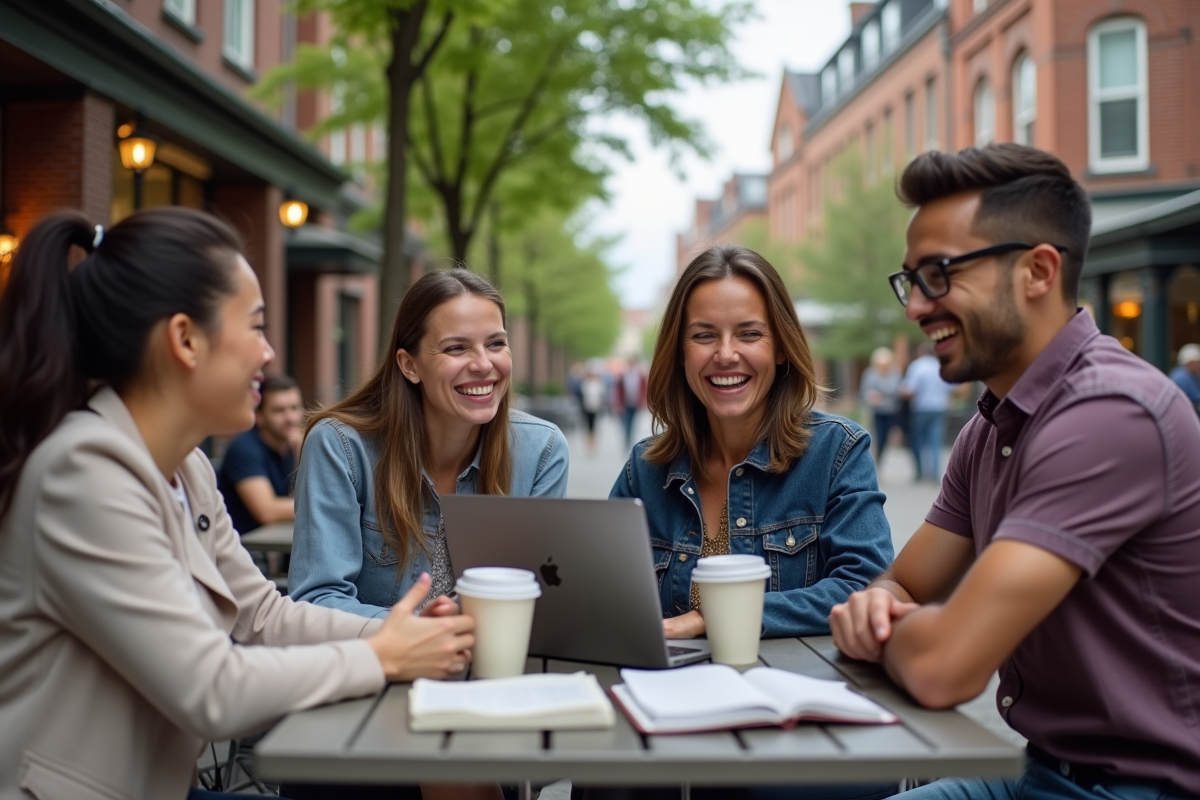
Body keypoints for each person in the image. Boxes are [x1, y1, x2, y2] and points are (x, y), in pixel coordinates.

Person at [0, 208, 474, 800]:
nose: (270, 353)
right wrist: (384, 655)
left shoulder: (189, 468)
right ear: (185, 339)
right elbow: (211, 690)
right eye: (254, 327)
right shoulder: (82, 473)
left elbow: (262, 619)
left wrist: (396, 633)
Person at [830, 144, 1200, 800]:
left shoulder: (1110, 413)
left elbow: (946, 667)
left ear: (1038, 270)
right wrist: (891, 610)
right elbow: (907, 583)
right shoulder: (990, 425)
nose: (915, 307)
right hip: (1037, 773)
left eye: (939, 273)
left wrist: (886, 627)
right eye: (910, 280)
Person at [603, 245, 895, 800]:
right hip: (670, 716)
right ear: (680, 351)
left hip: (800, 721)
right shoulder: (645, 468)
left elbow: (862, 584)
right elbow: (604, 596)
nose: (726, 354)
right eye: (705, 335)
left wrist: (714, 617)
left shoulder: (837, 451)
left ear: (781, 347)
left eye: (749, 334)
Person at [289, 268, 569, 619]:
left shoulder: (542, 451)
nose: (484, 364)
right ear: (409, 366)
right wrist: (416, 629)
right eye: (456, 348)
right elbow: (317, 599)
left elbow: (536, 595)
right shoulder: (340, 447)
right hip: (378, 669)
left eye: (496, 343)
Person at [218, 373, 302, 535]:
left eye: (294, 408)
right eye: (279, 411)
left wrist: (301, 453)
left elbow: (296, 497)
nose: (290, 418)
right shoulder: (244, 448)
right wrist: (326, 505)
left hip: (272, 545)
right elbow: (267, 511)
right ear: (259, 416)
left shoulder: (291, 445)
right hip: (243, 549)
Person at [901, 342, 956, 482]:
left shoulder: (917, 366)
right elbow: (953, 388)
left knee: (918, 440)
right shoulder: (941, 366)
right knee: (935, 441)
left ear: (921, 352)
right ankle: (934, 473)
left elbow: (909, 390)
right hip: (939, 408)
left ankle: (920, 472)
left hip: (921, 408)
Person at [859, 347, 903, 468]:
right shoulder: (870, 373)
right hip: (876, 411)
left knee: (885, 438)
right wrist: (872, 397)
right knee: (877, 437)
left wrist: (880, 393)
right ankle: (874, 462)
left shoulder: (894, 373)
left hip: (891, 411)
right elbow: (865, 392)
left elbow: (896, 390)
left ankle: (879, 460)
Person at [616, 358, 648, 449]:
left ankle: (630, 438)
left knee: (633, 422)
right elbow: (619, 390)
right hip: (625, 404)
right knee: (626, 422)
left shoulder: (639, 376)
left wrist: (643, 401)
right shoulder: (624, 375)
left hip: (635, 403)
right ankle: (627, 439)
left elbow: (644, 389)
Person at [579, 362, 607, 455]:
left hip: (596, 408)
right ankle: (589, 445)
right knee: (588, 427)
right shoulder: (585, 384)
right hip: (587, 408)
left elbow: (603, 397)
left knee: (594, 427)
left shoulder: (600, 384)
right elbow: (581, 396)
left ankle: (594, 445)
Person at [1169, 342, 1200, 413]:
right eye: (1197, 362)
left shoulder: (1194, 374)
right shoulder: (1180, 377)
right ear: (1190, 362)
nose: (1198, 365)